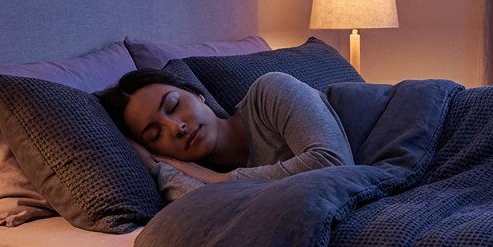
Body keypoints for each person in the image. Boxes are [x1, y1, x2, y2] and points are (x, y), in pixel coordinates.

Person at [99, 68, 354, 201]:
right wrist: (158, 169)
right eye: (155, 135)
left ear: (198, 94)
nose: (176, 128)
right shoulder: (199, 181)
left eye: (174, 105)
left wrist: (221, 180)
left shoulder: (271, 91)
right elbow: (209, 209)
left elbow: (335, 166)